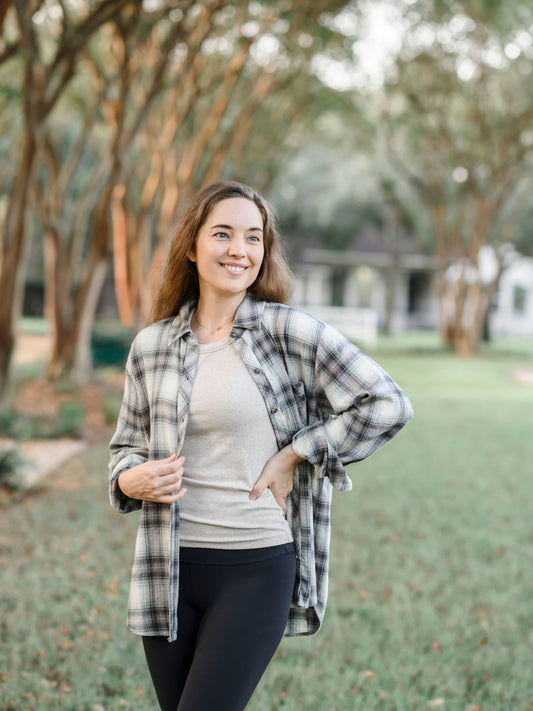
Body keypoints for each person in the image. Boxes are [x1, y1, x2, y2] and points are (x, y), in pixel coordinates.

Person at [109, 181, 413, 711]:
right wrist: (127, 479)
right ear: (191, 245)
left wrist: (297, 451)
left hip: (255, 566)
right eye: (223, 234)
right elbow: (125, 449)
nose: (239, 250)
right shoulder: (151, 346)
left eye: (253, 238)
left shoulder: (290, 333)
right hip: (168, 567)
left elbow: (386, 403)